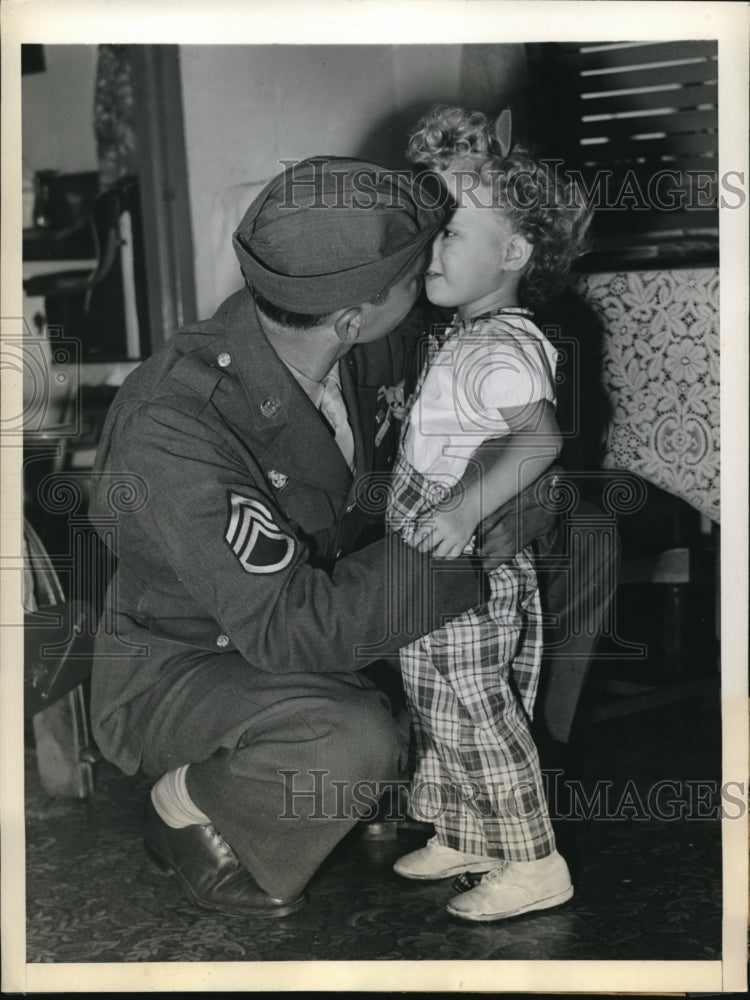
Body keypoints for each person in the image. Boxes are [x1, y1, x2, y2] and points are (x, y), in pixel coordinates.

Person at [86, 155, 561, 919]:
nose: (432, 277)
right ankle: (185, 803)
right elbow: (288, 624)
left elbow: (511, 448)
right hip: (192, 656)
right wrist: (468, 543)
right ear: (352, 315)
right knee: (355, 746)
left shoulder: (370, 337)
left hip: (344, 611)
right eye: (417, 272)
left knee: (458, 706)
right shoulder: (172, 426)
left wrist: (510, 495)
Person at [385, 106, 592, 921]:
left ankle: (534, 860)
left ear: (512, 253)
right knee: (432, 692)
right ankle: (469, 829)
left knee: (477, 703)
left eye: (450, 235)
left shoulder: (502, 348)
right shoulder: (470, 332)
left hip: (463, 548)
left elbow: (538, 444)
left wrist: (467, 510)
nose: (430, 249)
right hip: (432, 540)